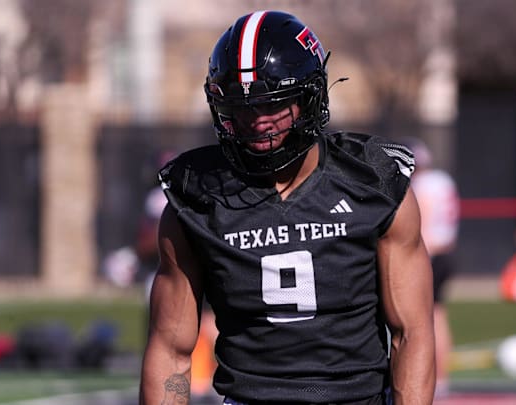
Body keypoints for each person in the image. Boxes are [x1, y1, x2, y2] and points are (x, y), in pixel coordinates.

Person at [140, 10, 435, 405]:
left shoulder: (373, 183)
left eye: (271, 105)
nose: (258, 122)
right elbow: (171, 353)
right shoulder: (197, 198)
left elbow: (411, 334)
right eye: (242, 108)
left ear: (309, 98)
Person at [407, 138, 459, 398]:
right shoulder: (444, 180)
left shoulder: (422, 185)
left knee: (424, 319)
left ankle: (433, 378)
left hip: (431, 253)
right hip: (447, 250)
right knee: (438, 315)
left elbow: (423, 222)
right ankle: (443, 378)